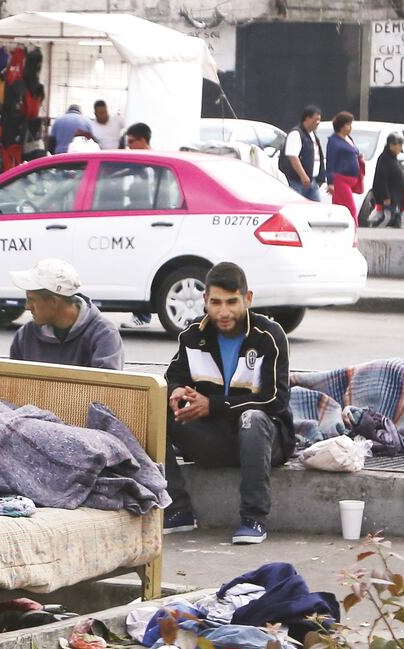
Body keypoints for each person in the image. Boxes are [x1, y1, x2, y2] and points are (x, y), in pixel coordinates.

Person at [161, 262, 293, 545]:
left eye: (232, 302)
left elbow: (276, 400)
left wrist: (214, 405)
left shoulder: (269, 336)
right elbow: (173, 377)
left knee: (253, 419)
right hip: (214, 440)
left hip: (265, 441)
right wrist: (175, 394)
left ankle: (253, 518)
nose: (223, 312)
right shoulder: (192, 335)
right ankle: (177, 509)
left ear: (248, 299)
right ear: (204, 300)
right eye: (215, 302)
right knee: (153, 407)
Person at [8, 258, 124, 370]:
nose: (27, 307)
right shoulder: (25, 335)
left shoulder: (104, 334)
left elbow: (106, 387)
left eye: (32, 299)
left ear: (54, 301)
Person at [120, 123, 156, 330]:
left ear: (143, 140)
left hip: (146, 224)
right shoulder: (143, 163)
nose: (129, 146)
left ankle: (142, 315)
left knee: (142, 266)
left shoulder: (148, 165)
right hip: (144, 222)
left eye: (132, 142)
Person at [279, 105, 325, 201]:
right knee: (297, 207)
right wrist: (303, 175)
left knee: (317, 208)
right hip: (297, 181)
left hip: (312, 181)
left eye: (319, 120)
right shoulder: (296, 134)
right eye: (315, 119)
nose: (318, 123)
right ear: (307, 118)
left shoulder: (313, 135)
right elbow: (293, 156)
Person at [324, 111, 362, 225]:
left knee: (339, 208)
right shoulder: (334, 141)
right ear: (341, 126)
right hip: (340, 178)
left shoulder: (348, 139)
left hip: (351, 179)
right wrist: (330, 182)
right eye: (348, 124)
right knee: (350, 207)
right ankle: (354, 229)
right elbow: (330, 161)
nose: (350, 127)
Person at [371, 133, 404, 228]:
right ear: (391, 145)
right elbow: (381, 180)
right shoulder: (384, 159)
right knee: (387, 219)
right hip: (389, 198)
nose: (400, 148)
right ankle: (374, 236)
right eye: (399, 145)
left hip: (397, 199)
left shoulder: (394, 159)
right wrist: (385, 197)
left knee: (396, 221)